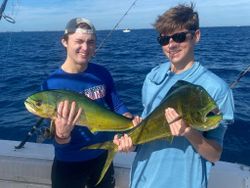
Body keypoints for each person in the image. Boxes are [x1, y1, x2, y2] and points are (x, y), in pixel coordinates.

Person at [114, 3, 234, 188]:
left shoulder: (217, 88)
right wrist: (130, 142)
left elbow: (215, 154)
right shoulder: (153, 77)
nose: (171, 45)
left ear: (196, 36)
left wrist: (188, 132)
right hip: (142, 181)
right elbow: (148, 130)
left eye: (178, 37)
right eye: (164, 39)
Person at [42, 17, 132, 188]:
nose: (85, 47)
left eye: (91, 42)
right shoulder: (52, 84)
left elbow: (117, 106)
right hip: (69, 164)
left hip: (103, 157)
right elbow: (57, 139)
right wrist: (62, 135)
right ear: (65, 42)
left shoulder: (101, 73)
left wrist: (130, 123)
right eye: (79, 41)